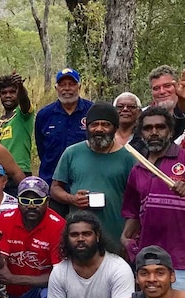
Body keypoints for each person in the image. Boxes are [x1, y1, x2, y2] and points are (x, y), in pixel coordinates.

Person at [50, 102, 136, 245]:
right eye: (94, 124)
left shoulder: (128, 157)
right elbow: (55, 188)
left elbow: (135, 201)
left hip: (115, 234)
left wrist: (127, 237)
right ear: (87, 127)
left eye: (105, 125)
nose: (99, 129)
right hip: (79, 236)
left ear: (115, 128)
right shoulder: (72, 153)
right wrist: (72, 199)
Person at [121, 107, 185, 286]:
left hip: (181, 262)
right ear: (141, 133)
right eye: (148, 128)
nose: (154, 132)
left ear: (170, 131)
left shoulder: (184, 159)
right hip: (149, 261)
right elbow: (133, 212)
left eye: (160, 127)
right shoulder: (137, 169)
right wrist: (125, 238)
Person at [35, 68, 93, 187]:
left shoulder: (92, 111)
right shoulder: (44, 115)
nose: (67, 88)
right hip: (51, 182)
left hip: (85, 181)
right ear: (56, 88)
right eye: (62, 85)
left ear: (79, 87)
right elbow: (41, 149)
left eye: (71, 84)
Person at [0, 72, 34, 178]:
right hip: (2, 172)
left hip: (20, 171)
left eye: (12, 92)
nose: (8, 96)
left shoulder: (23, 114)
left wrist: (20, 86)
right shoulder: (2, 120)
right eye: (4, 93)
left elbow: (24, 101)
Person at [146, 65, 185, 138]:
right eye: (156, 88)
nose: (162, 91)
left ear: (178, 86)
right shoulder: (142, 116)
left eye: (167, 86)